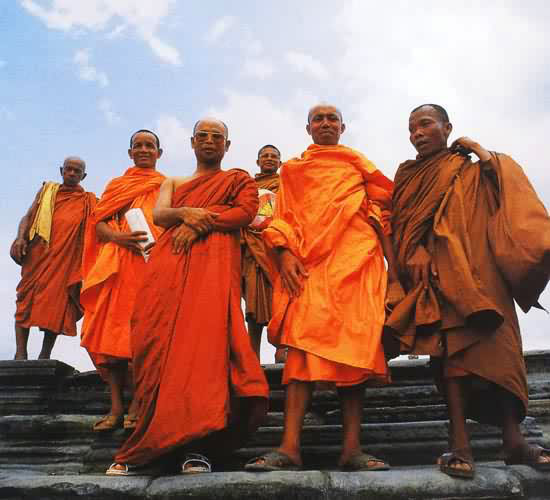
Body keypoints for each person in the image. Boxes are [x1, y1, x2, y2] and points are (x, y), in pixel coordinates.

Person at [384, 104, 550, 478]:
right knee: (452, 355)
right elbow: (403, 225)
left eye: (425, 124)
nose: (417, 134)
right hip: (442, 273)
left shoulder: (474, 167)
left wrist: (477, 148)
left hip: (485, 271)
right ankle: (459, 442)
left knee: (502, 351)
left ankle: (514, 440)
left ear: (447, 127)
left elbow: (508, 187)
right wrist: (417, 251)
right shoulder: (409, 175)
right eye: (411, 129)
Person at [106, 118, 269, 476]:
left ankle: (198, 448)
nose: (210, 141)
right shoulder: (174, 181)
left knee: (204, 352)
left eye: (218, 137)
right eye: (204, 136)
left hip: (213, 269)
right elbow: (160, 215)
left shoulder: (238, 179)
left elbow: (245, 212)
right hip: (169, 267)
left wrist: (196, 224)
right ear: (192, 142)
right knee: (157, 348)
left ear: (227, 146)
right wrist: (185, 214)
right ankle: (153, 446)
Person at [245, 104, 403, 472]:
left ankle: (352, 449)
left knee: (354, 350)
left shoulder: (359, 165)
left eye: (332, 118)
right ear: (308, 127)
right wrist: (283, 255)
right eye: (320, 119)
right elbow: (280, 216)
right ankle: (288, 448)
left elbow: (385, 209)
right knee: (300, 351)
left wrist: (394, 275)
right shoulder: (295, 170)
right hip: (306, 264)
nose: (326, 123)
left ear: (343, 126)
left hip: (356, 262)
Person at [80, 130, 165, 432]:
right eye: (138, 146)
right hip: (117, 268)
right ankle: (116, 407)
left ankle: (140, 404)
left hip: (152, 267)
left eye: (149, 146)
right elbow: (99, 224)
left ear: (159, 153)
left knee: (144, 339)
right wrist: (120, 238)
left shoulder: (167, 186)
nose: (144, 150)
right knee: (109, 337)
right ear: (130, 153)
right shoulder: (117, 186)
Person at [11, 156, 96, 360]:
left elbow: (104, 222)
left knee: (56, 306)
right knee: (25, 300)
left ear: (84, 176)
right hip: (37, 256)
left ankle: (45, 353)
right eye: (69, 169)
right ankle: (20, 352)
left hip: (65, 262)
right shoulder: (47, 191)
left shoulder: (88, 201)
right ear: (61, 171)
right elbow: (28, 216)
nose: (72, 173)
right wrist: (20, 237)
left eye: (77, 171)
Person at [241, 144, 286, 362]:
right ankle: (252, 358)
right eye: (264, 156)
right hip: (252, 248)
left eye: (273, 156)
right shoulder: (247, 186)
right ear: (257, 162)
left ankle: (283, 351)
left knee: (284, 299)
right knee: (253, 303)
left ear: (280, 162)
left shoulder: (286, 184)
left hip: (278, 247)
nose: (269, 159)